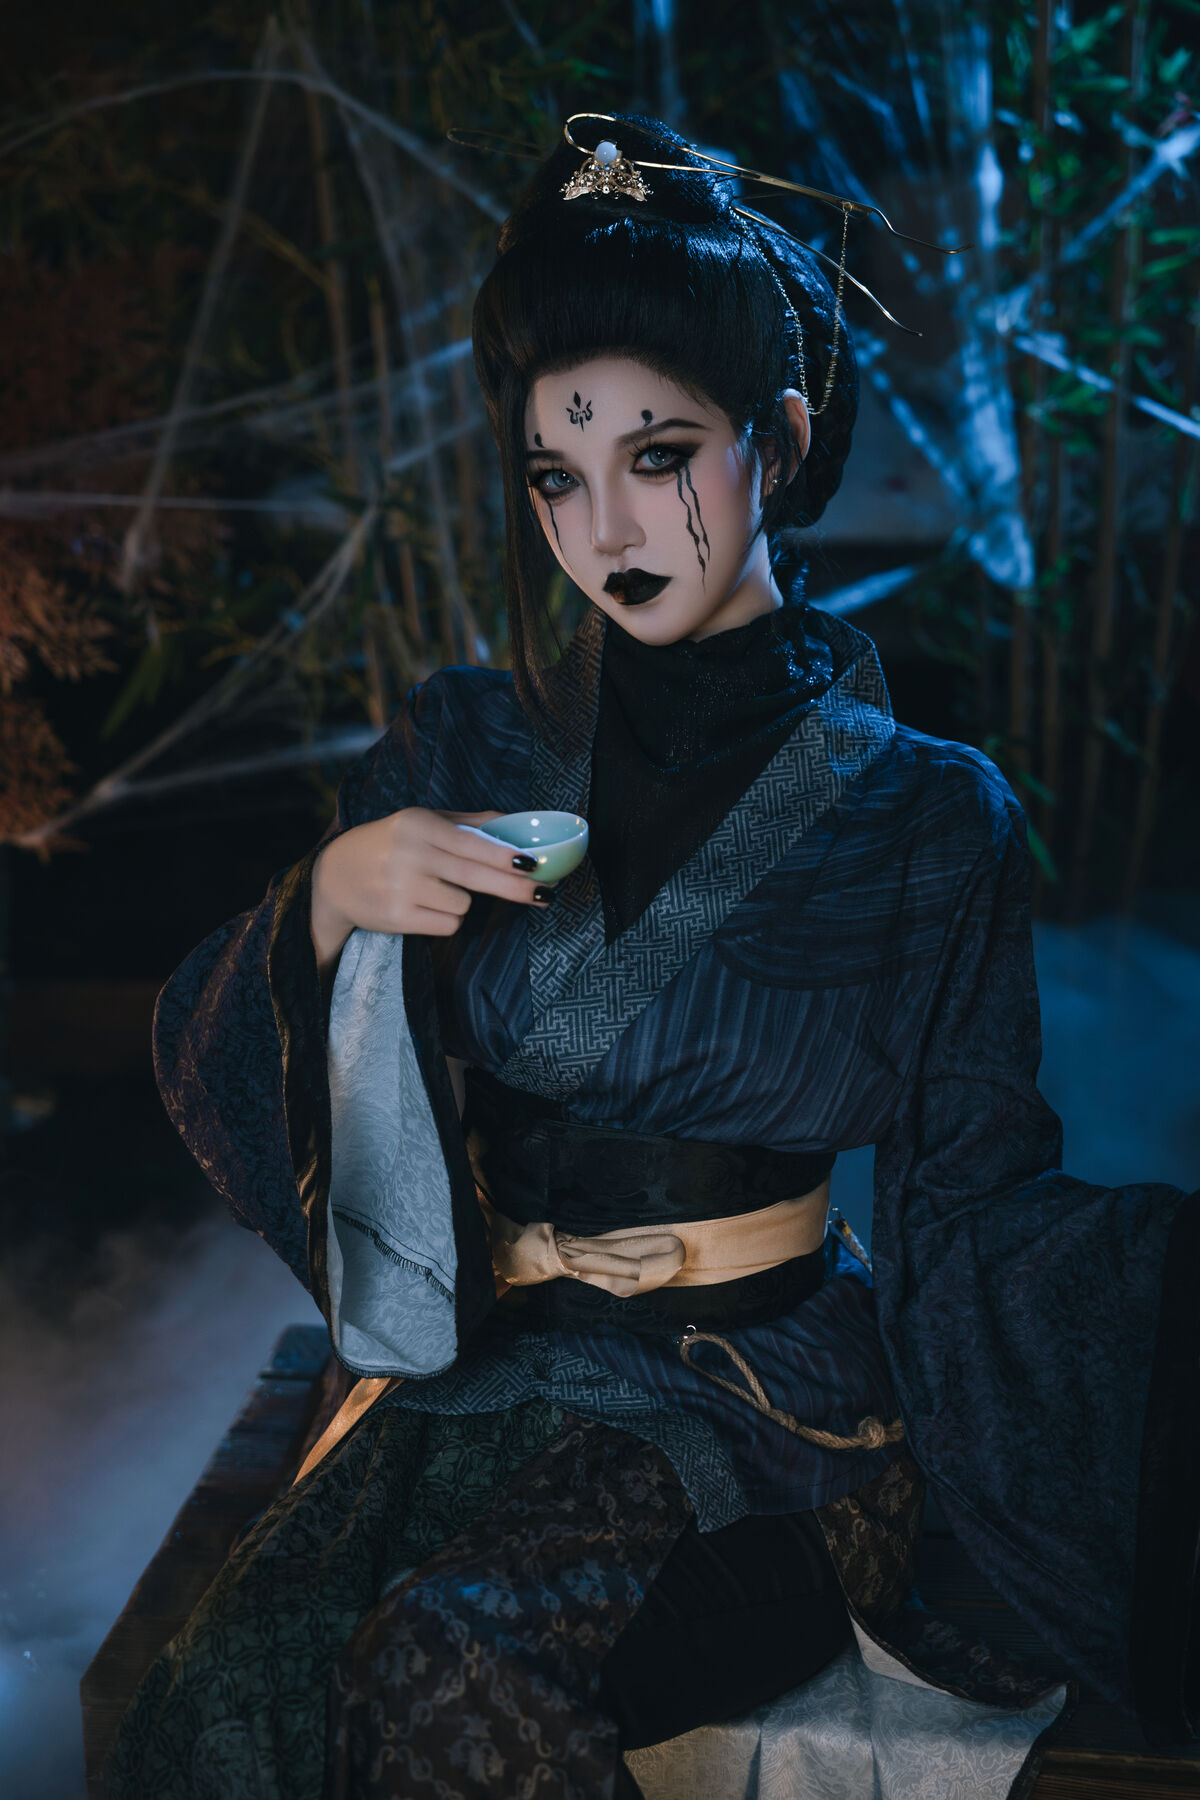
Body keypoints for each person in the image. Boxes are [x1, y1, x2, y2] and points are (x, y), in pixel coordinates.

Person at [105, 114, 1196, 1800]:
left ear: (784, 437)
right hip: (488, 1381)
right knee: (230, 1688)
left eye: (659, 454)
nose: (605, 526)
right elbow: (240, 1057)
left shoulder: (927, 815)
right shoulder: (465, 740)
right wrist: (325, 902)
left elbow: (977, 1203)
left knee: (450, 1667)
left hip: (775, 1421)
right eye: (558, 474)